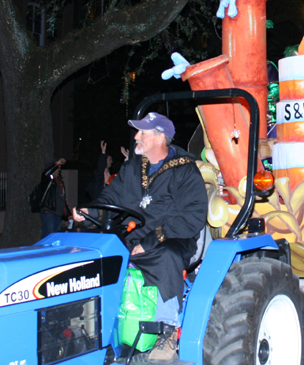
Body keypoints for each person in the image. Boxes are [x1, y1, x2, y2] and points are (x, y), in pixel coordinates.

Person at [73, 112, 207, 363]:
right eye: (138, 132)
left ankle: (167, 333)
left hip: (173, 239)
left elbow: (192, 217)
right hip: (132, 237)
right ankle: (97, 330)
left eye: (142, 133)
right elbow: (111, 197)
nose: (136, 136)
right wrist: (90, 210)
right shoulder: (133, 167)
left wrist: (151, 241)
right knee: (96, 256)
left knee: (165, 257)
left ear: (160, 138)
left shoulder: (186, 171)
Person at [40, 158, 68, 239]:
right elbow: (46, 174)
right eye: (58, 167)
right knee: (48, 237)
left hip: (57, 214)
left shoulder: (59, 181)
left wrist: (68, 215)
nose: (59, 169)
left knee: (56, 238)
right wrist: (56, 164)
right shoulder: (48, 180)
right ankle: (43, 251)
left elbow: (62, 199)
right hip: (49, 212)